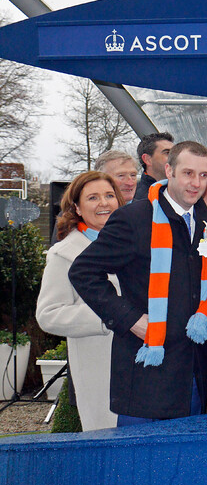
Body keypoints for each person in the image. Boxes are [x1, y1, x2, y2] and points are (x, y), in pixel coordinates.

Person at [69, 141, 207, 425]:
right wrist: (129, 318)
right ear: (169, 171)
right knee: (139, 467)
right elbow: (83, 272)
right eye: (188, 173)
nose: (196, 183)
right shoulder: (134, 219)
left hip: (191, 377)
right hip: (147, 376)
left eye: (203, 175)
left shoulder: (204, 222)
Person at [36, 171, 125, 430]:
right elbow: (48, 314)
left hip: (140, 368)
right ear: (77, 207)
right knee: (108, 450)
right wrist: (109, 316)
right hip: (98, 367)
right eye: (93, 198)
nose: (104, 203)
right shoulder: (64, 254)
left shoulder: (135, 243)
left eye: (109, 196)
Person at [135, 132, 175, 201]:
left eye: (175, 153)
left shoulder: (187, 191)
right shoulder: (137, 199)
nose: (175, 157)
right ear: (147, 159)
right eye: (167, 153)